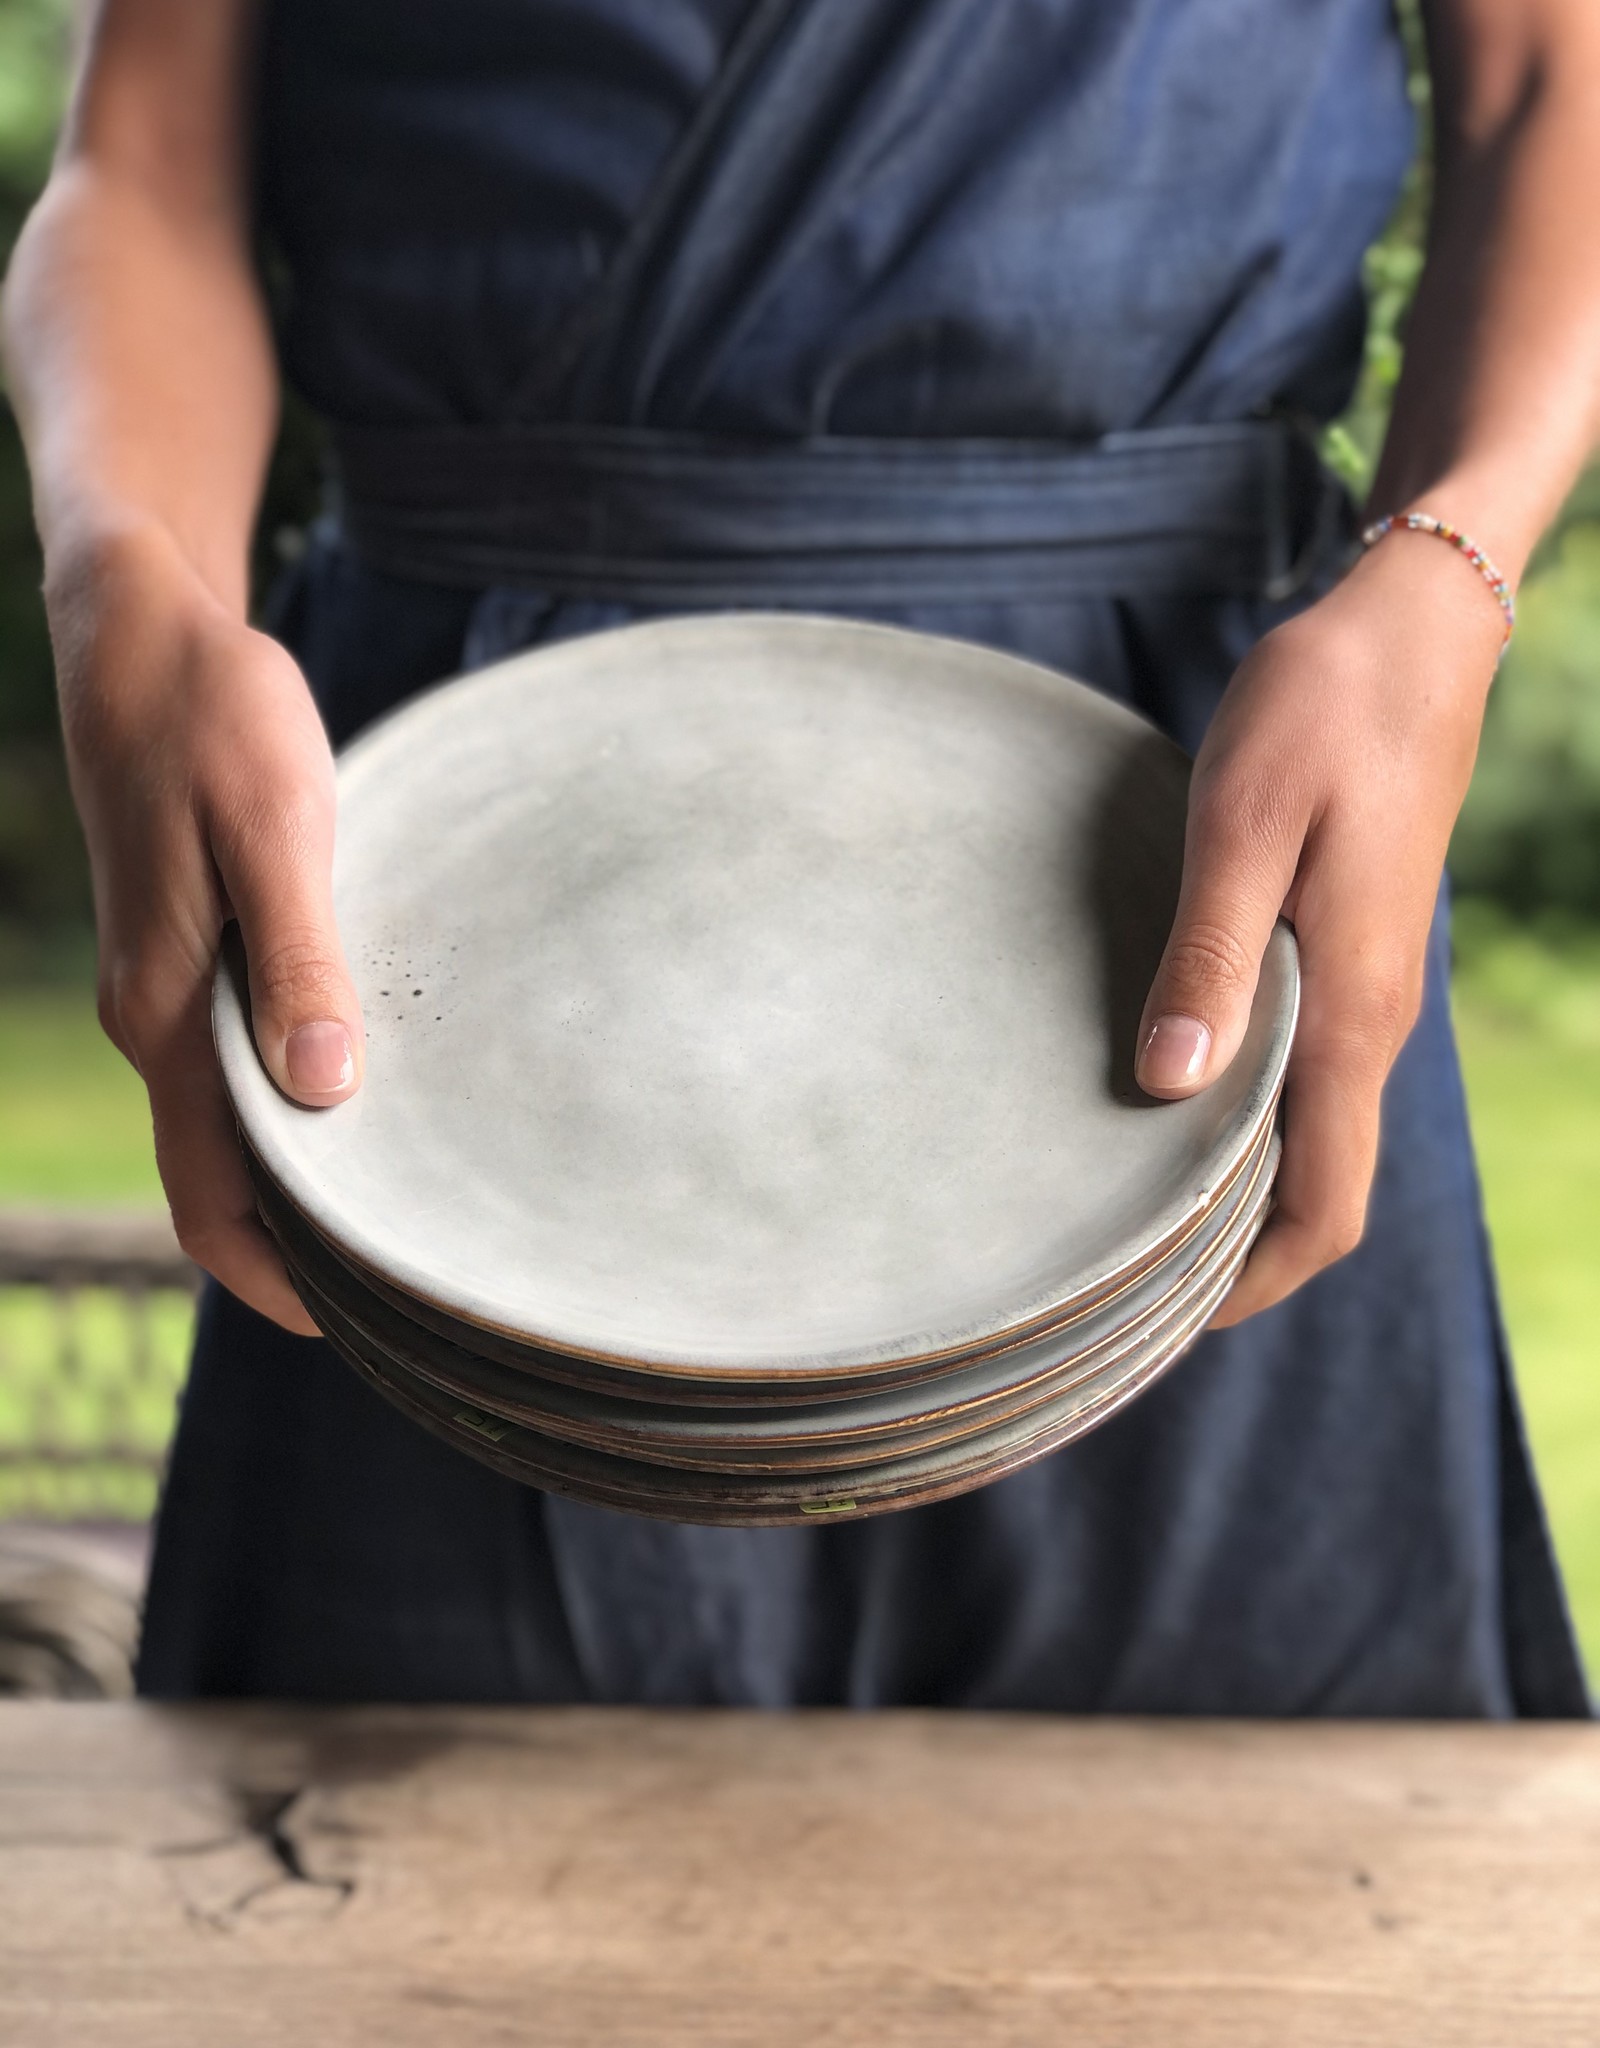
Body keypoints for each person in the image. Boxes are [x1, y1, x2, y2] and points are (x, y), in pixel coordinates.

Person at [4, 0, 1595, 1712]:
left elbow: (1554, 85)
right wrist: (125, 585)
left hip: (1214, 813)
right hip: (435, 868)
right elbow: (147, 162)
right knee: (409, 1890)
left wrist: (1449, 573)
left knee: (1274, 1899)